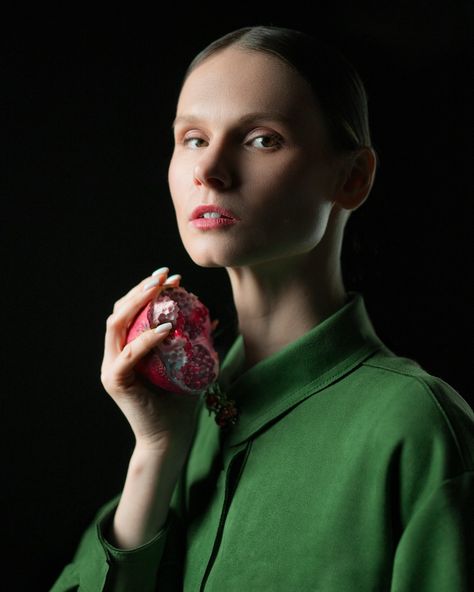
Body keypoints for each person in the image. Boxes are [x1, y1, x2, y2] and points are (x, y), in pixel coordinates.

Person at [50, 25, 473, 591]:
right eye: (193, 139)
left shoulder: (417, 428)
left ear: (352, 178)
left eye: (261, 139)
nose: (211, 170)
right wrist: (155, 453)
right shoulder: (182, 415)